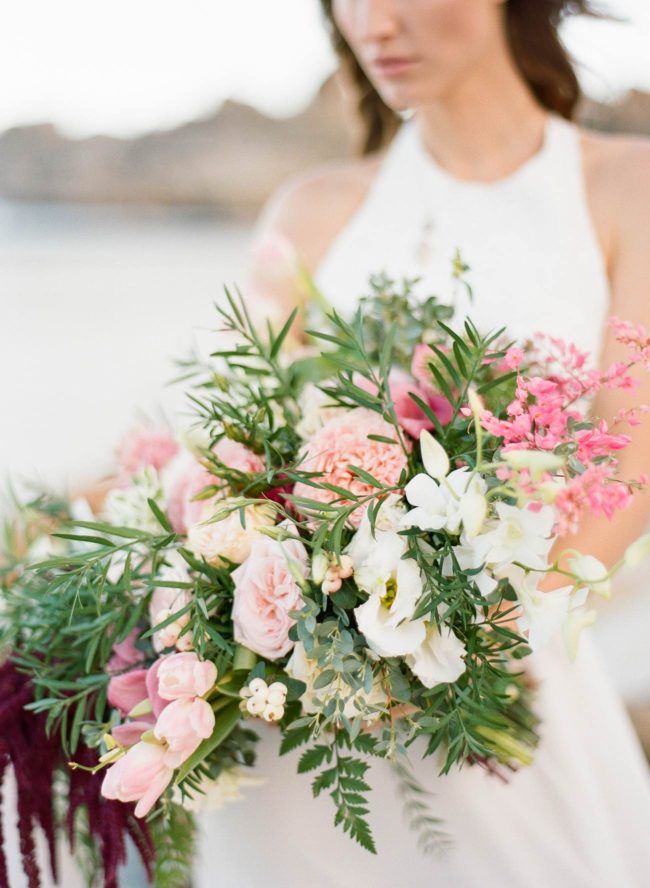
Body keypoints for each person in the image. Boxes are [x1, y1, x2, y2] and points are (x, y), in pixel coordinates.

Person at [193, 2, 650, 887]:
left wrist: (459, 642)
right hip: (305, 715)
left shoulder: (628, 188)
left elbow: (630, 472)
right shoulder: (313, 210)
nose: (375, 24)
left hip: (496, 702)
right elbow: (231, 451)